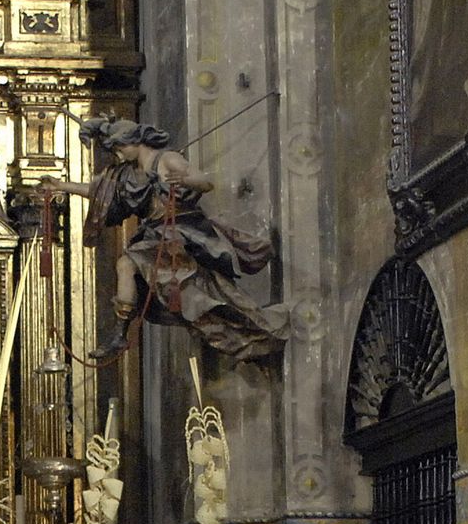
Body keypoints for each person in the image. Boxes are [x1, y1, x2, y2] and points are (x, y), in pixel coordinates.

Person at [45, 115, 289, 362]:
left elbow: (206, 183)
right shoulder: (128, 174)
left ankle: (121, 334)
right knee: (127, 265)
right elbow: (101, 193)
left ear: (135, 141)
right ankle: (119, 334)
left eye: (120, 148)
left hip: (182, 230)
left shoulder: (167, 159)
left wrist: (184, 180)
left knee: (130, 265)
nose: (119, 155)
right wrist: (61, 186)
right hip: (154, 234)